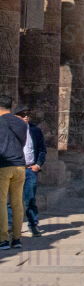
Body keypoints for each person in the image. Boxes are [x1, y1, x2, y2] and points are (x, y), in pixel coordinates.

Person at [0, 96, 28, 249]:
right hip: (20, 165)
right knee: (17, 203)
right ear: (11, 106)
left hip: (4, 165)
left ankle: (3, 239)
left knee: (1, 203)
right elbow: (22, 142)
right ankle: (17, 238)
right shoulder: (20, 122)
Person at [11, 106, 42, 238]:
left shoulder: (35, 131)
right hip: (14, 168)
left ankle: (33, 225)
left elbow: (42, 149)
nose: (25, 117)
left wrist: (38, 164)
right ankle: (11, 226)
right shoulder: (10, 130)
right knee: (11, 200)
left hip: (29, 169)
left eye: (27, 114)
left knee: (30, 199)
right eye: (22, 114)